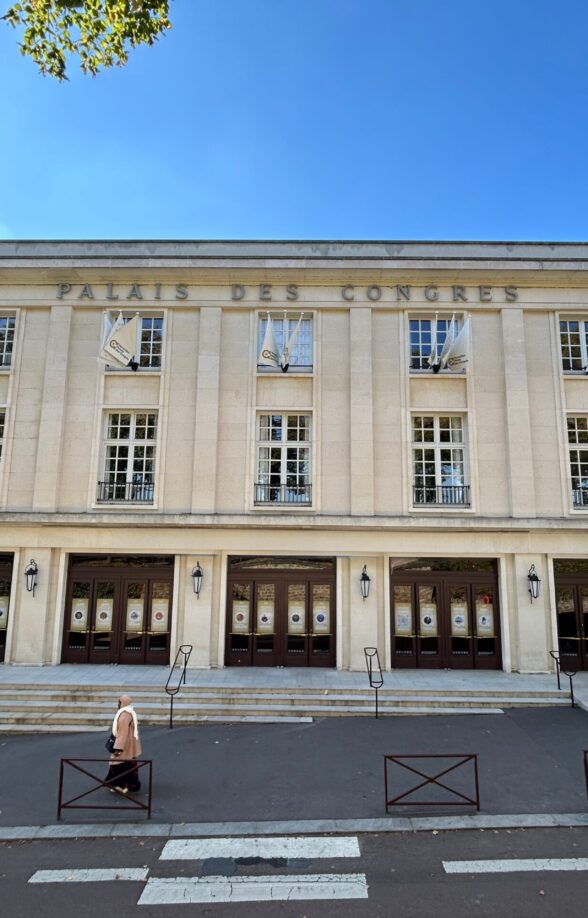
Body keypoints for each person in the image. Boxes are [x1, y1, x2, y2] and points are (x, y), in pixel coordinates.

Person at [105, 693, 142, 794]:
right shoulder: (130, 712)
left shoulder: (124, 716)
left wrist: (118, 748)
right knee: (128, 764)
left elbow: (122, 734)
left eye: (119, 702)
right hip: (130, 744)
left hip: (125, 746)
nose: (118, 704)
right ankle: (129, 785)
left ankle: (121, 785)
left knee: (118, 764)